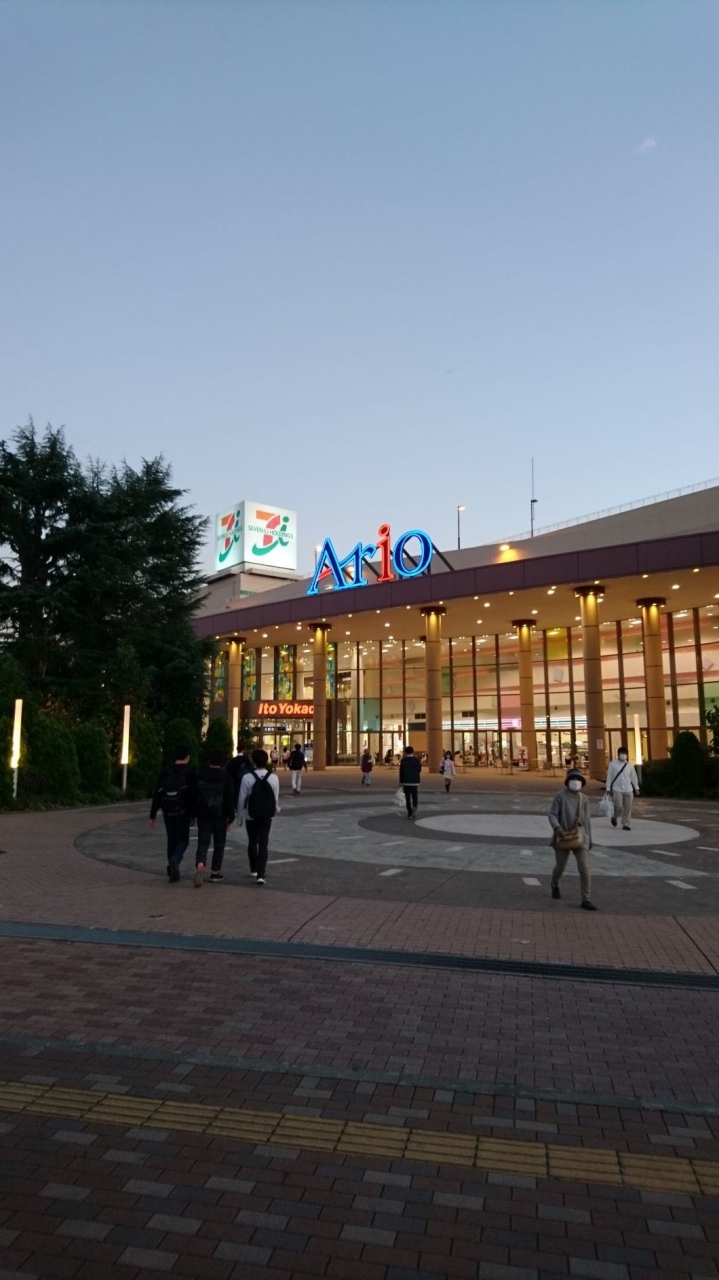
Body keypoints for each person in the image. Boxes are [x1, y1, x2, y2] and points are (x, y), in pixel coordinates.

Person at [548, 768, 597, 911]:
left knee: (584, 868)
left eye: (578, 780)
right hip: (563, 836)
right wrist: (557, 828)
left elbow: (587, 820)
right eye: (573, 779)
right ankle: (555, 883)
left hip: (580, 837)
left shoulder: (584, 798)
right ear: (568, 781)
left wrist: (589, 838)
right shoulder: (560, 796)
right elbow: (552, 814)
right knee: (560, 867)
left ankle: (586, 899)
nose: (576, 782)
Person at [149, 745, 197, 883]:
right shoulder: (191, 771)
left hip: (167, 810)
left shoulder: (166, 770)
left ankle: (172, 870)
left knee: (171, 839)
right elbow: (193, 793)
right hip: (183, 811)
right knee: (183, 840)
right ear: (187, 757)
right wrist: (193, 813)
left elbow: (158, 792)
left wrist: (153, 814)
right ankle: (175, 859)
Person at [237, 748, 281, 884]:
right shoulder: (273, 778)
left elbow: (242, 799)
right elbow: (275, 798)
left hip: (251, 814)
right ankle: (261, 875)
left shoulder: (247, 777)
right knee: (263, 843)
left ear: (253, 761)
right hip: (267, 815)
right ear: (267, 760)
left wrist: (240, 816)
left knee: (252, 841)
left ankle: (254, 869)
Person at [194, 748, 236, 886]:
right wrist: (231, 818)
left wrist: (193, 813)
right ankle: (215, 872)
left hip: (203, 814)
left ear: (209, 761)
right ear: (222, 762)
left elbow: (194, 795)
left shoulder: (201, 775)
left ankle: (200, 862)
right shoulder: (226, 777)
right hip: (220, 814)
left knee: (203, 842)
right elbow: (230, 799)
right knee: (219, 843)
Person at [605, 745, 640, 831]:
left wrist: (636, 788)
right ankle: (614, 817)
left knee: (628, 807)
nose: (624, 755)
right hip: (617, 789)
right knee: (619, 806)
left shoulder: (630, 765)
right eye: (622, 753)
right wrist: (608, 788)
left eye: (625, 753)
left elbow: (633, 777)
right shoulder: (612, 764)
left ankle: (626, 823)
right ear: (618, 754)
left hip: (628, 789)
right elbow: (609, 776)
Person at [399, 744, 421, 819]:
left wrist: (401, 781)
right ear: (413, 752)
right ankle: (415, 806)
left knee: (407, 798)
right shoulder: (416, 760)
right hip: (415, 781)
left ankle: (409, 813)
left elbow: (401, 772)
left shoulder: (403, 761)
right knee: (415, 796)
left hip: (406, 781)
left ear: (406, 752)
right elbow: (419, 770)